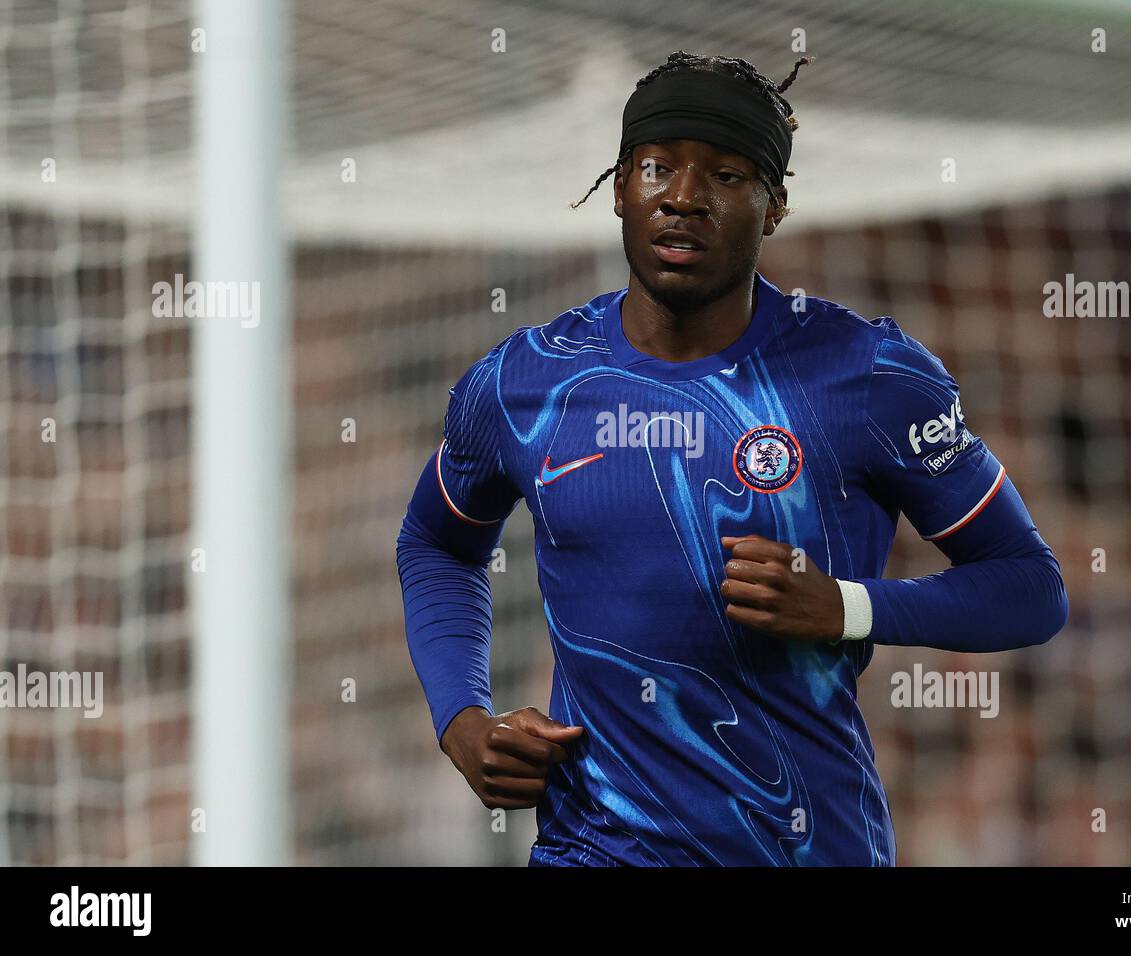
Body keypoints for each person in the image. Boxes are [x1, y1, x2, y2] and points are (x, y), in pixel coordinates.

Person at [396, 51, 1068, 866]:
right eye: (655, 168)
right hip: (593, 847)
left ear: (775, 206)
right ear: (618, 188)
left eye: (725, 175)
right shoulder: (523, 381)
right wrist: (461, 719)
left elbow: (1030, 588)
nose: (683, 197)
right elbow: (436, 542)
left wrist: (850, 608)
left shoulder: (867, 378)